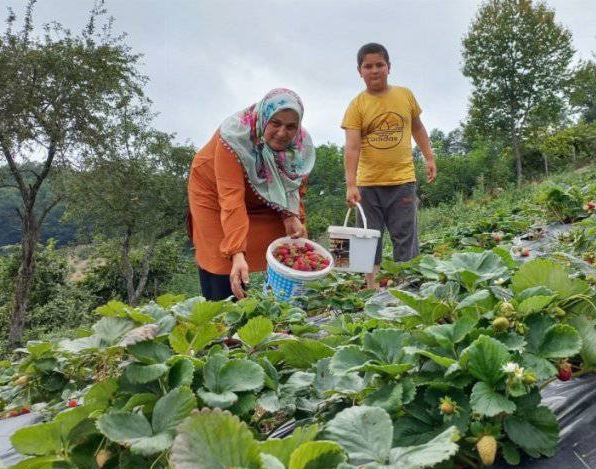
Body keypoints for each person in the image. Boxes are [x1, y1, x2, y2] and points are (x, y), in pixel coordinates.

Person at [187, 88, 314, 300]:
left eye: (291, 126)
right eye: (275, 123)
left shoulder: (300, 147)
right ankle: (223, 317)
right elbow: (231, 199)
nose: (282, 133)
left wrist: (290, 216)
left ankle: (279, 313)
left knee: (289, 245)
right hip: (215, 192)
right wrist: (236, 254)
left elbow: (294, 190)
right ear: (264, 118)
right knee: (222, 259)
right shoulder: (233, 138)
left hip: (267, 196)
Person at [341, 42, 437, 288]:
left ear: (389, 67)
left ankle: (410, 285)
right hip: (367, 185)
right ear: (359, 71)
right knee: (366, 238)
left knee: (405, 234)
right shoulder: (357, 105)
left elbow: (417, 127)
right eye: (368, 66)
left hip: (402, 181)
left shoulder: (405, 95)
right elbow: (352, 147)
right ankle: (371, 288)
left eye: (379, 65)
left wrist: (429, 157)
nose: (374, 70)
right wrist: (351, 184)